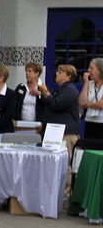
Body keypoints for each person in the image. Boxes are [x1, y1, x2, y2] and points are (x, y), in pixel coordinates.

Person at [40, 64, 82, 199]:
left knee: (65, 163)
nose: (56, 74)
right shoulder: (61, 89)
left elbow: (57, 105)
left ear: (69, 76)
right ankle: (56, 192)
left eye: (60, 72)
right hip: (57, 132)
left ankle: (65, 194)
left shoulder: (70, 89)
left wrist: (46, 93)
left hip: (67, 133)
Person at [79, 58, 103, 140]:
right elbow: (82, 102)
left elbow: (101, 104)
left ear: (99, 70)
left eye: (91, 68)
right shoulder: (90, 84)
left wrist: (87, 105)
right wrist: (86, 83)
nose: (88, 70)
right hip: (89, 121)